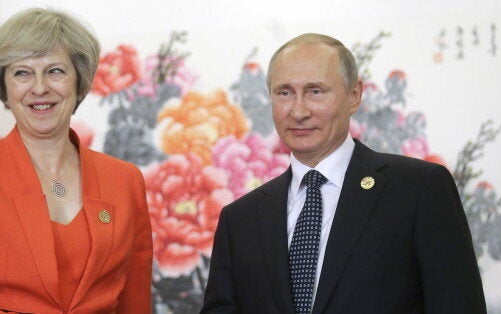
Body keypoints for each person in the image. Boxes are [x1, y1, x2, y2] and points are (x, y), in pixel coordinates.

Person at [201, 33, 485, 313]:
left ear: (354, 95)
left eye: (315, 91)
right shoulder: (239, 220)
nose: (298, 111)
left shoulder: (419, 190)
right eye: (284, 92)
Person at [0, 8, 152, 313]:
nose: (40, 87)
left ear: (79, 80)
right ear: (4, 85)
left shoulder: (124, 179)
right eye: (22, 72)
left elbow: (135, 304)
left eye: (55, 70)